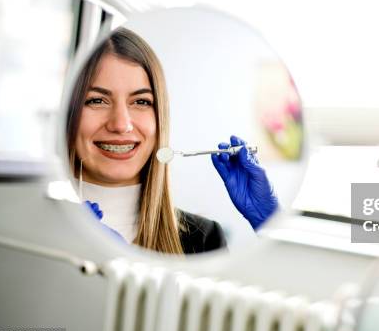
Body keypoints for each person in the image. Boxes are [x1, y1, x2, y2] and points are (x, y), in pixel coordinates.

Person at [66, 27, 278, 254]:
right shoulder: (36, 224)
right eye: (97, 100)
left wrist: (269, 222)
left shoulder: (205, 240)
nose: (120, 124)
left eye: (141, 102)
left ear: (161, 119)